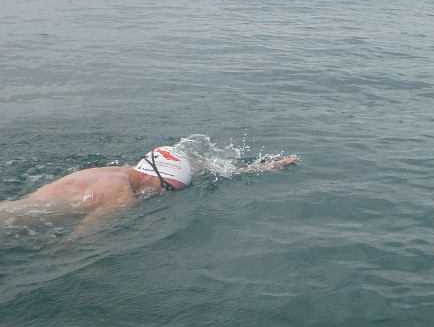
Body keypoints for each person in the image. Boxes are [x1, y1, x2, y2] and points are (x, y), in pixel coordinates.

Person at [1, 144, 297, 231]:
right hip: (15, 220)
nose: (165, 197)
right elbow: (80, 240)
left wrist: (260, 167)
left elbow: (205, 165)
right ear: (155, 176)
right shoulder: (121, 197)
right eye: (168, 189)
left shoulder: (126, 171)